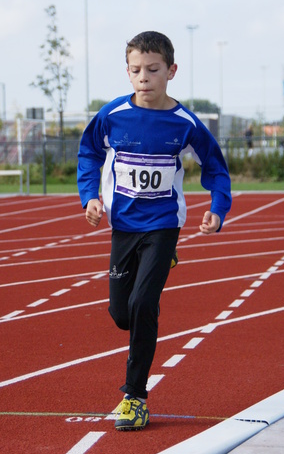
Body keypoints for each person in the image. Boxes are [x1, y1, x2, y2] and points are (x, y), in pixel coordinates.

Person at [77, 31, 232, 431]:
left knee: (144, 304)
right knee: (122, 314)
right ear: (127, 73)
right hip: (123, 226)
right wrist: (90, 197)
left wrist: (217, 208)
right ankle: (156, 270)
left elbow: (214, 167)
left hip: (164, 225)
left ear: (171, 71)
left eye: (152, 69)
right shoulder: (112, 115)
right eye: (135, 70)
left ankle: (134, 397)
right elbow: (89, 153)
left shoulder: (185, 124)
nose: (143, 77)